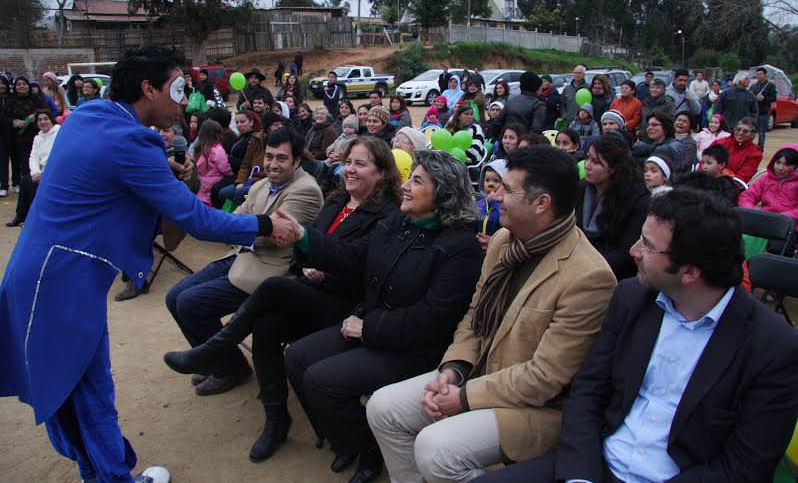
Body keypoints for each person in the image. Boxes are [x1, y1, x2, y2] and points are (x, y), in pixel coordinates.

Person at [0, 45, 300, 483]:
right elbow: (194, 218)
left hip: (42, 274)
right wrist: (265, 223)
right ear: (147, 88)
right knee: (86, 390)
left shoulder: (91, 115)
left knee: (73, 389)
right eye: (177, 88)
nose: (183, 101)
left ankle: (103, 473)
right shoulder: (130, 140)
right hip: (61, 285)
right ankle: (114, 477)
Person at [476, 188, 798, 483]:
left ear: (689, 272)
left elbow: (743, 468)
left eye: (647, 245)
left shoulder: (773, 348)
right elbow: (589, 391)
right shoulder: (631, 298)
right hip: (596, 465)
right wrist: (580, 477)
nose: (633, 251)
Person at [367, 145, 617, 483]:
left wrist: (465, 397)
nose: (495, 196)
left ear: (541, 203)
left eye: (507, 189)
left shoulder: (588, 276)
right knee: (383, 408)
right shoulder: (503, 241)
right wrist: (454, 369)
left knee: (436, 448)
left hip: (537, 408)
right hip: (478, 375)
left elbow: (544, 378)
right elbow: (475, 316)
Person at [163, 137, 402, 461]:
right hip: (312, 291)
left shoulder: (386, 215)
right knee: (265, 326)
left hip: (346, 305)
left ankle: (215, 348)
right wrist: (309, 265)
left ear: (383, 173)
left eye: (360, 164)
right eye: (348, 162)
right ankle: (277, 420)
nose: (350, 169)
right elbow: (302, 252)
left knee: (274, 287)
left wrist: (317, 261)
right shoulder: (337, 201)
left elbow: (358, 261)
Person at [264, 151, 485, 483]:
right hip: (373, 328)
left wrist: (368, 328)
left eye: (417, 181)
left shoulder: (460, 247)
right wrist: (304, 237)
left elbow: (432, 320)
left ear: (443, 193)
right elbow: (354, 258)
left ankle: (368, 451)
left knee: (322, 380)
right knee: (296, 357)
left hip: (413, 348)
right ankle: (345, 437)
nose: (406, 187)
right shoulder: (399, 221)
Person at [165, 127, 323, 395]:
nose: (273, 164)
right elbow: (236, 219)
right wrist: (245, 228)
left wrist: (241, 229)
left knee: (191, 303)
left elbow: (279, 236)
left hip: (270, 271)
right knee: (174, 296)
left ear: (297, 161)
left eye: (281, 158)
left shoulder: (306, 190)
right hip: (241, 256)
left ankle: (230, 368)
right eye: (269, 156)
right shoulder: (262, 184)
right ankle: (215, 360)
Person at [579, 134, 650, 280]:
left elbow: (625, 254)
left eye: (596, 162)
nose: (587, 165)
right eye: (588, 158)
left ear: (614, 168)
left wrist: (585, 268)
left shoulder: (638, 201)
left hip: (611, 275)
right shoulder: (580, 190)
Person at [6, 110, 60, 227]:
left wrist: (44, 173)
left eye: (45, 119)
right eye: (39, 120)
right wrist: (35, 173)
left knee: (32, 184)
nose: (43, 122)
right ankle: (20, 215)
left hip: (55, 173)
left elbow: (59, 156)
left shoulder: (59, 133)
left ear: (51, 120)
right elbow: (33, 156)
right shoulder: (38, 137)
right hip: (40, 173)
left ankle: (33, 219)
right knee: (26, 180)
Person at [739, 144, 798, 231]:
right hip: (765, 220)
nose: (780, 168)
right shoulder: (766, 179)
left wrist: (783, 218)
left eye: (787, 164)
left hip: (790, 226)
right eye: (778, 162)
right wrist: (749, 210)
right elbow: (748, 195)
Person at [6, 76, 45, 191]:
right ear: (15, 87)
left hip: (35, 134)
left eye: (24, 84)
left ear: (28, 86)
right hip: (18, 136)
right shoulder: (10, 100)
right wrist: (15, 122)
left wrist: (36, 116)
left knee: (38, 159)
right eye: (19, 84)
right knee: (23, 161)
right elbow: (5, 117)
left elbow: (45, 110)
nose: (22, 86)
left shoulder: (36, 99)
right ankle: (24, 184)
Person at [709, 117, 762, 183]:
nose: (740, 133)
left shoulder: (755, 154)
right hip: (708, 179)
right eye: (738, 129)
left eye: (745, 131)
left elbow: (742, 178)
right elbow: (704, 162)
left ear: (752, 135)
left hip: (730, 186)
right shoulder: (719, 143)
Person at [195, 120, 233, 207]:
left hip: (203, 182)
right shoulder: (217, 149)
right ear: (217, 134)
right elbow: (223, 167)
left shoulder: (200, 148)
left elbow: (198, 167)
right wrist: (231, 174)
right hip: (215, 181)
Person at [474, 158, 506, 252]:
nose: (490, 184)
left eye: (496, 181)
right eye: (487, 180)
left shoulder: (506, 206)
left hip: (497, 249)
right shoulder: (480, 203)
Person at [749, 66, 778, 152]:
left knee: (761, 133)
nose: (759, 76)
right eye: (757, 74)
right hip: (753, 113)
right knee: (751, 132)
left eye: (761, 74)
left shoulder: (770, 85)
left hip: (763, 113)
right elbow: (749, 96)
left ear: (765, 75)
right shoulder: (753, 86)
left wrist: (764, 98)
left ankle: (760, 149)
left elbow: (774, 98)